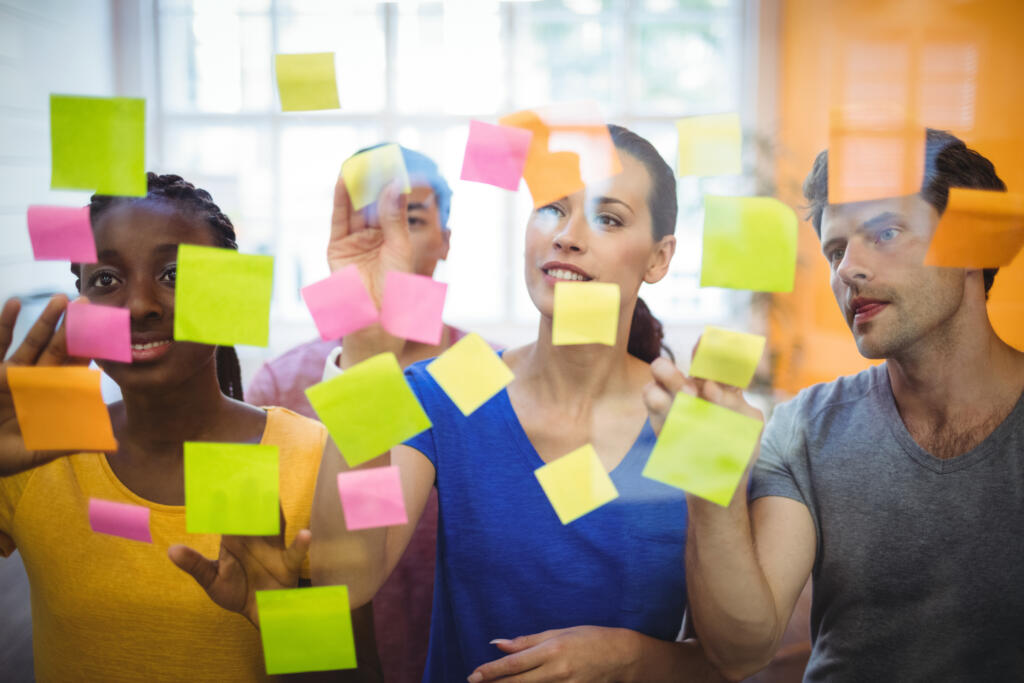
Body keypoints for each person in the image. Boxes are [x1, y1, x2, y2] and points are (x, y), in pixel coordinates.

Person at [308, 124, 726, 682]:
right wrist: (363, 345)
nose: (568, 236)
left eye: (609, 218)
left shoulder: (690, 415)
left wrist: (630, 658)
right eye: (552, 209)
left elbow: (733, 660)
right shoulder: (462, 379)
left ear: (658, 258)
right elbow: (345, 579)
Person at [645, 129, 1024, 681]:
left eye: (885, 233)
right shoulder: (804, 427)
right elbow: (740, 651)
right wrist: (710, 482)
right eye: (836, 250)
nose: (847, 270)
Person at [0, 173, 371, 681]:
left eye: (174, 273)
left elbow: (358, 672)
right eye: (106, 279)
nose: (140, 306)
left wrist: (286, 621)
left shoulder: (316, 460)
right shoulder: (33, 454)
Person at [246, 144, 469, 683]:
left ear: (444, 240)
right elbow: (255, 555)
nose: (384, 237)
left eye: (410, 217)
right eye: (366, 220)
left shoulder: (481, 375)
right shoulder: (281, 382)